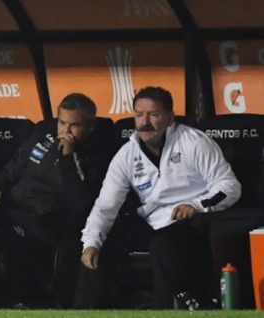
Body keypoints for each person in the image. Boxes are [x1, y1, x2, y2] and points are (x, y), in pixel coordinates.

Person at [0, 93, 114, 309]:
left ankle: (22, 299)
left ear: (90, 127)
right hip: (12, 210)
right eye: (62, 123)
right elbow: (12, 168)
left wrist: (67, 157)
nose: (65, 131)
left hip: (44, 221)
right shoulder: (43, 132)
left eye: (74, 126)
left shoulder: (98, 154)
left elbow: (80, 204)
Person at [78, 87, 241, 309]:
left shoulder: (193, 142)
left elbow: (229, 186)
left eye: (153, 114)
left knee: (163, 245)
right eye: (139, 115)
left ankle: (164, 309)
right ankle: (84, 311)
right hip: (151, 222)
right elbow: (105, 205)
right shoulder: (127, 154)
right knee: (97, 245)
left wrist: (197, 205)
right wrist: (91, 243)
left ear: (170, 118)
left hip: (192, 221)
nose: (145, 122)